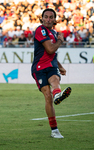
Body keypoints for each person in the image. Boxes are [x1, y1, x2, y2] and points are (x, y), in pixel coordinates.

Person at [31, 8, 71, 139]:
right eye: (46, 17)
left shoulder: (53, 32)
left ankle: (57, 94)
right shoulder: (40, 30)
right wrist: (60, 40)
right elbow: (49, 49)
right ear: (42, 19)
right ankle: (54, 130)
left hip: (51, 66)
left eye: (51, 17)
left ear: (54, 19)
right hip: (39, 68)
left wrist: (60, 66)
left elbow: (52, 54)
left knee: (55, 80)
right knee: (47, 96)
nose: (48, 19)